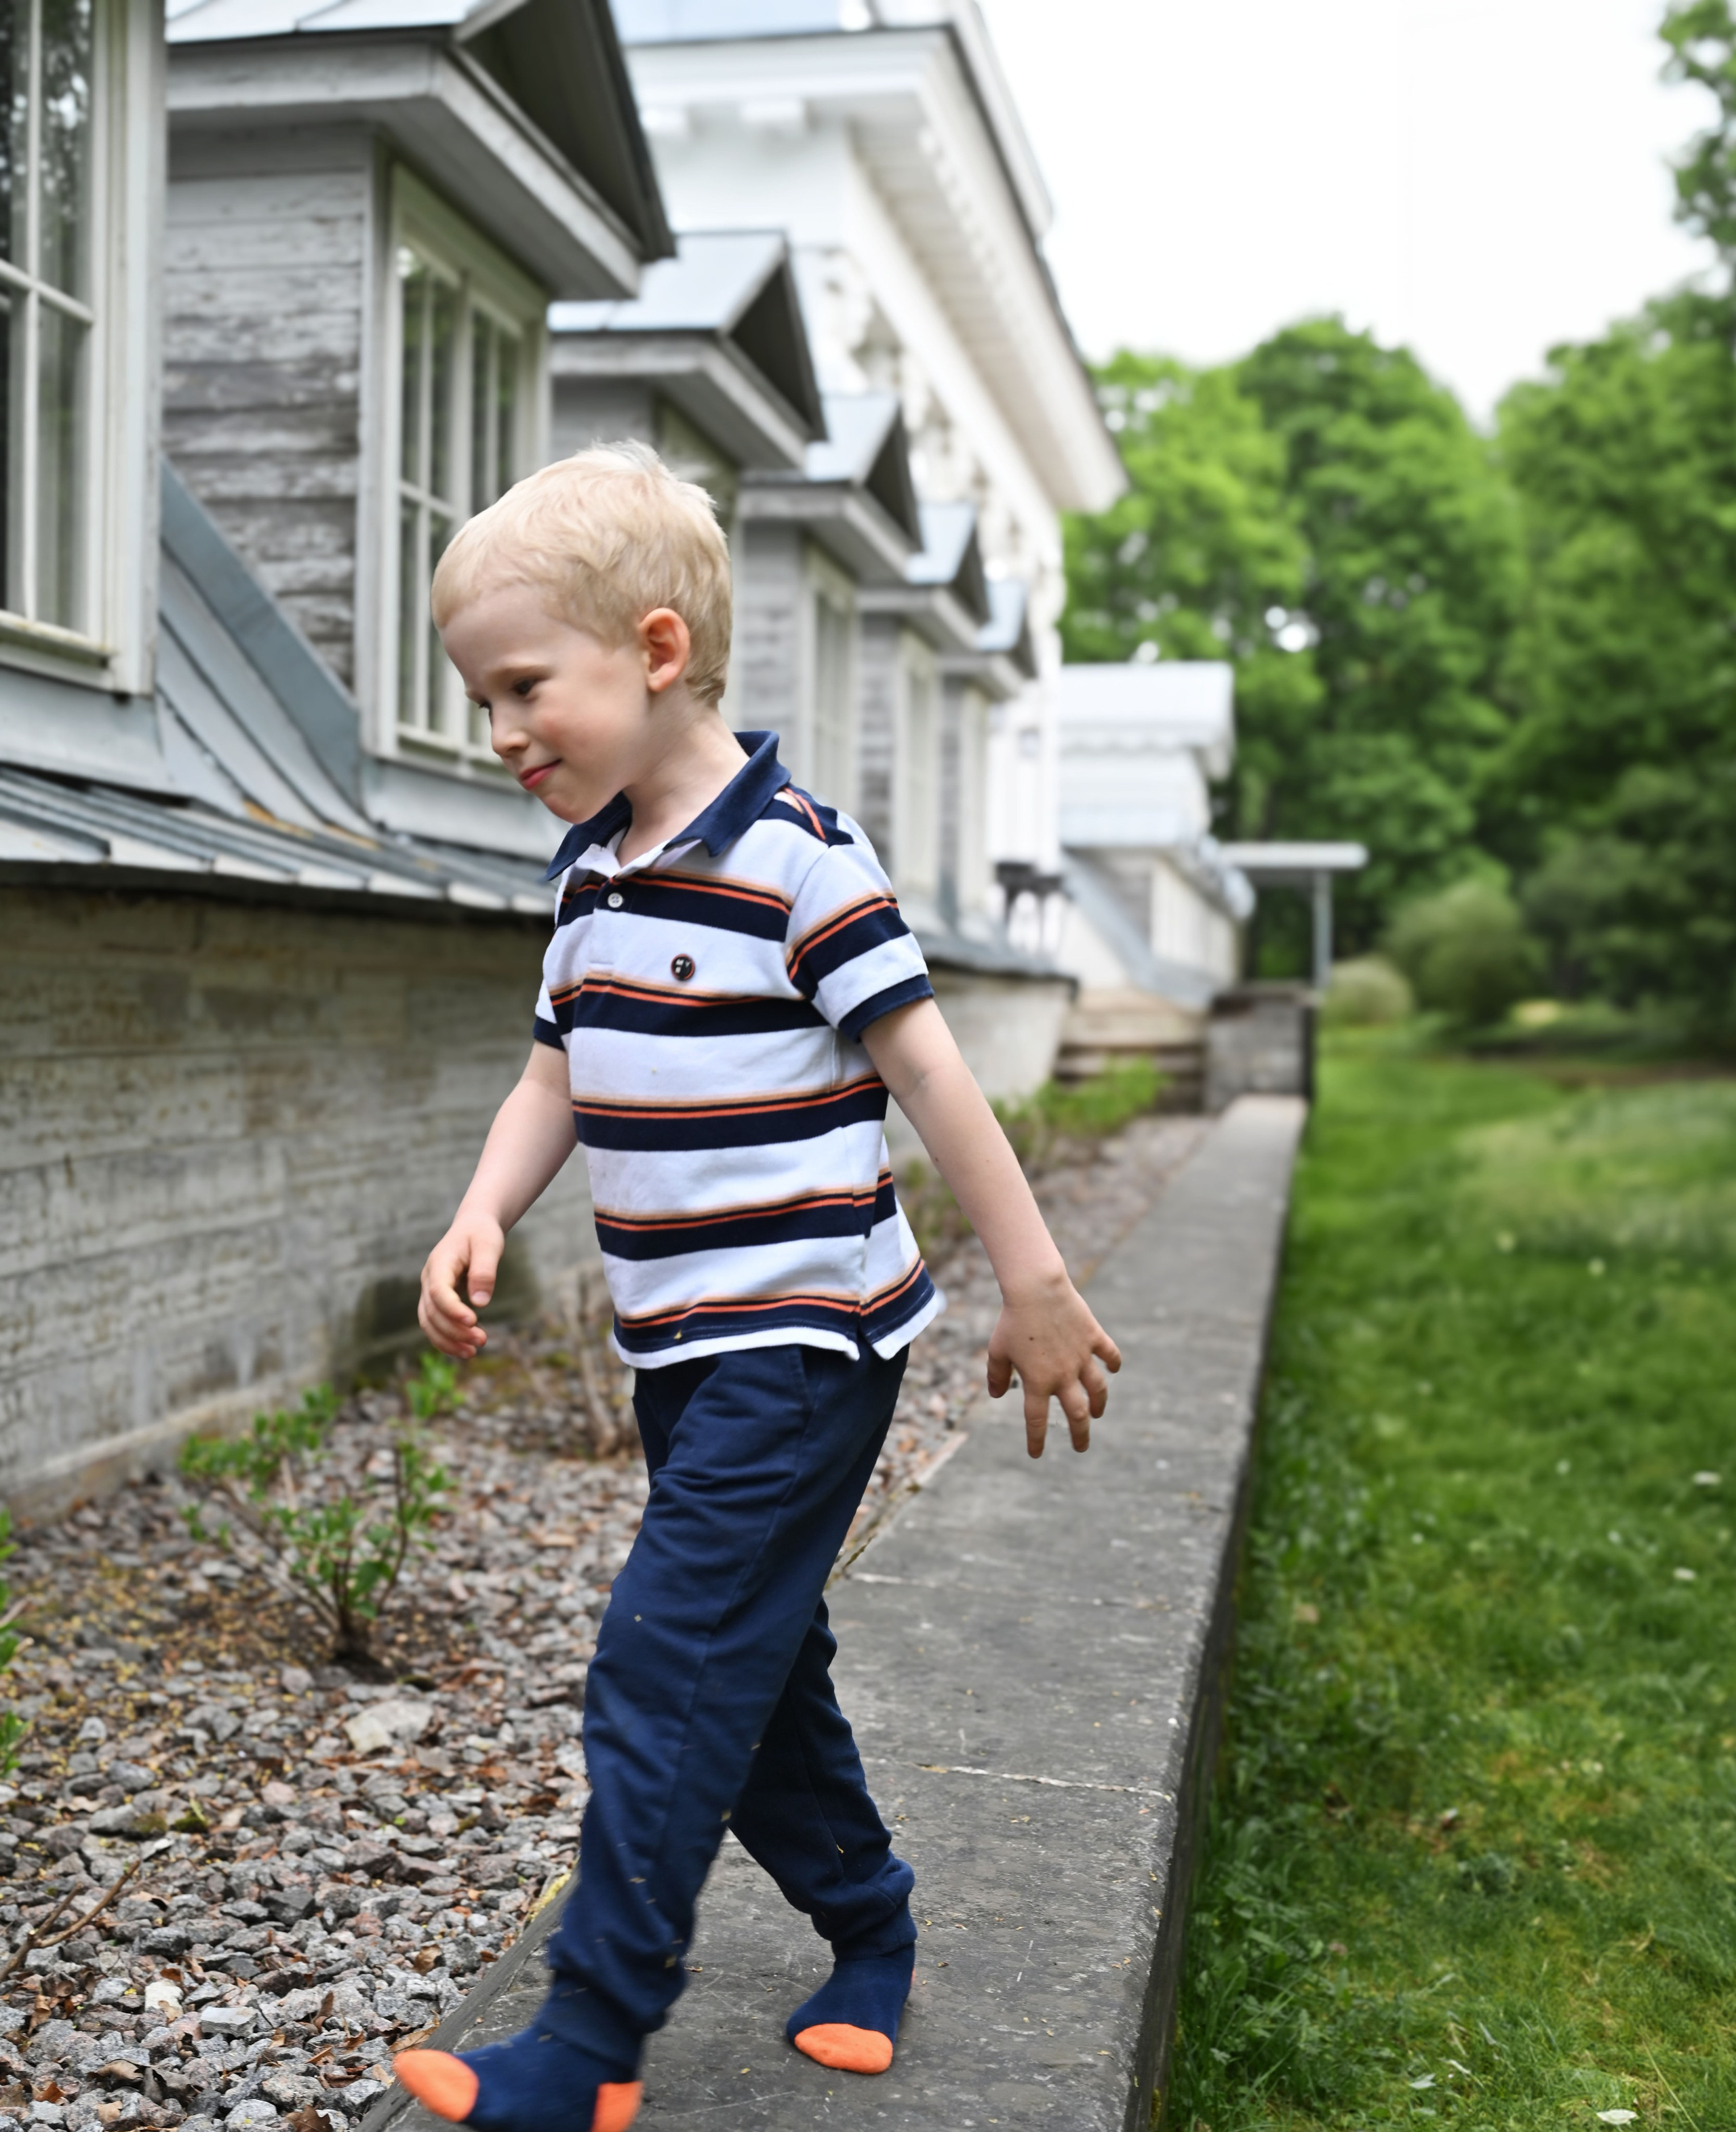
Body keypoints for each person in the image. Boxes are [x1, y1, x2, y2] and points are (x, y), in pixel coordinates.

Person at [393, 446, 1120, 2132]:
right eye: (478, 699)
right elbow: (552, 1079)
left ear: (654, 651)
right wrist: (480, 1209)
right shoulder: (588, 874)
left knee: (662, 1659)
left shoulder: (801, 859)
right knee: (757, 1664)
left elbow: (933, 1080)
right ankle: (871, 1927)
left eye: (521, 689)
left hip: (803, 1349)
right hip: (682, 1353)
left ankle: (587, 2042)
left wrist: (1034, 1280)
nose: (499, 733)